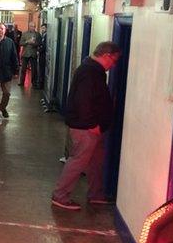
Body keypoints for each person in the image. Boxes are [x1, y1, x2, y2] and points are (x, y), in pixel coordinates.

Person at [51, 41, 121, 210]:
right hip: (86, 128)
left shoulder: (91, 70)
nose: (114, 65)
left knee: (95, 162)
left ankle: (96, 194)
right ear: (106, 56)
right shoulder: (90, 72)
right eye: (114, 60)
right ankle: (60, 195)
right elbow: (83, 100)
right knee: (79, 161)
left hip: (91, 126)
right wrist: (92, 124)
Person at [19, 21, 41, 87]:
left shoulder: (38, 34)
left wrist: (34, 43)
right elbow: (20, 43)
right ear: (29, 26)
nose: (33, 28)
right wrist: (27, 42)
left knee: (34, 70)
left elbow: (40, 43)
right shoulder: (24, 34)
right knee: (23, 69)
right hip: (25, 54)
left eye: (34, 26)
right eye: (31, 26)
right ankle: (21, 82)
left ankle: (34, 83)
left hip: (33, 54)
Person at [37, 23, 48, 89]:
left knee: (42, 70)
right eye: (42, 28)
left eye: (44, 28)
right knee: (41, 69)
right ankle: (40, 83)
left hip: (43, 55)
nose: (42, 29)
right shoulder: (43, 35)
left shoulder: (46, 36)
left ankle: (41, 85)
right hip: (42, 55)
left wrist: (38, 49)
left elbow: (43, 46)